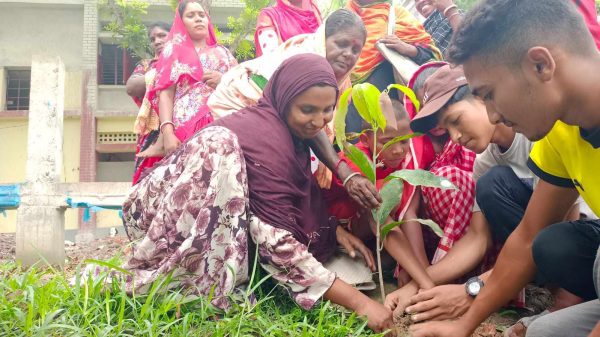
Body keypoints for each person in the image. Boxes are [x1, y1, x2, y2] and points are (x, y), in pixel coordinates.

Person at [122, 54, 393, 332]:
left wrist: (332, 229)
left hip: (173, 211)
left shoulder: (289, 133)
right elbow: (276, 244)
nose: (318, 121)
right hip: (153, 214)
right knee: (220, 146)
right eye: (308, 109)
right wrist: (361, 304)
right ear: (285, 100)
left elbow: (297, 196)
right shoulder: (266, 140)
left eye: (327, 110)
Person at [409, 0, 600, 336]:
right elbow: (527, 238)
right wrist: (463, 327)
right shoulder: (560, 131)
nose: (493, 115)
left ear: (540, 65)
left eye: (490, 95)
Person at [395, 65, 581, 335]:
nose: (455, 137)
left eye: (456, 120)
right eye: (447, 129)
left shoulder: (536, 135)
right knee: (492, 184)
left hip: (578, 242)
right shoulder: (486, 161)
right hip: (544, 248)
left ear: (483, 97)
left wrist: (472, 290)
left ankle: (566, 296)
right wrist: (417, 283)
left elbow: (563, 228)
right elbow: (476, 238)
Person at [209, 9, 367, 189]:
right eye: (342, 44)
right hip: (239, 105)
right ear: (323, 39)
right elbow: (310, 123)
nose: (349, 54)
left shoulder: (343, 82)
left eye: (356, 49)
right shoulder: (301, 60)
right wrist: (344, 172)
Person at [324, 96, 436, 291]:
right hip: (342, 228)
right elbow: (379, 211)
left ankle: (422, 273)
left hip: (377, 226)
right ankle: (426, 282)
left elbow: (408, 211)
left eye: (404, 141)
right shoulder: (355, 157)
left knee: (407, 190)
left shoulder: (410, 155)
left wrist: (416, 270)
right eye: (387, 142)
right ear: (366, 139)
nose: (399, 150)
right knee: (378, 207)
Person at [135, 0, 237, 160]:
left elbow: (241, 86)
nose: (198, 19)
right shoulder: (173, 51)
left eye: (202, 15)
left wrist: (223, 80)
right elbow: (166, 95)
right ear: (181, 23)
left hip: (223, 125)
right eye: (191, 15)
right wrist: (167, 133)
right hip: (184, 127)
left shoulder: (223, 52)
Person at [345, 0, 441, 134]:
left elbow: (431, 57)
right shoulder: (341, 18)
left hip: (392, 104)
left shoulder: (396, 14)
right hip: (346, 103)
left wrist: (407, 48)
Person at [125, 22, 171, 185]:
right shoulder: (146, 65)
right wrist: (164, 71)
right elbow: (132, 87)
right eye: (153, 39)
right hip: (152, 132)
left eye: (162, 35)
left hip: (179, 130)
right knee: (145, 184)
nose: (157, 41)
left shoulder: (187, 60)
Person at [254, 0, 322, 56]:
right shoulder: (268, 15)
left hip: (323, 68)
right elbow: (271, 56)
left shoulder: (315, 15)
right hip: (290, 70)